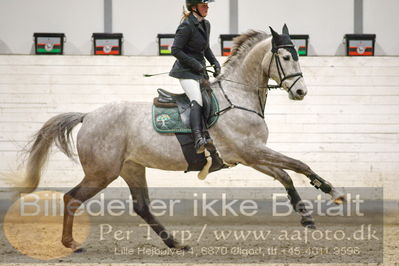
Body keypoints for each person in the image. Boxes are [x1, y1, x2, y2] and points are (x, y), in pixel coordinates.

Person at [169, 0, 221, 154]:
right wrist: (195, 64)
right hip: (186, 72)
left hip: (200, 71)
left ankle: (208, 134)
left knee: (209, 99)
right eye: (203, 5)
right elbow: (175, 50)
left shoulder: (206, 24)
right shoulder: (186, 26)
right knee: (197, 99)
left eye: (206, 5)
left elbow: (206, 49)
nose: (207, 7)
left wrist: (215, 63)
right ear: (194, 7)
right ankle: (198, 139)